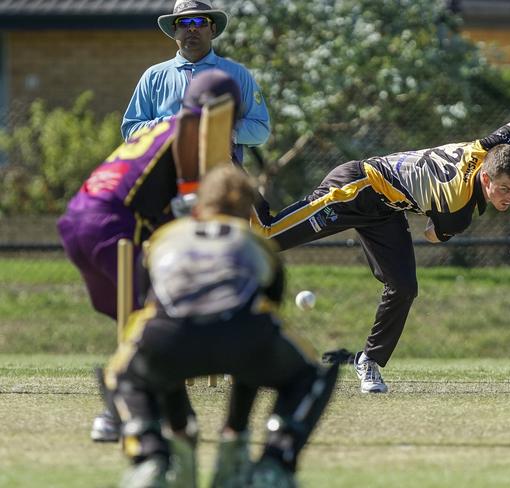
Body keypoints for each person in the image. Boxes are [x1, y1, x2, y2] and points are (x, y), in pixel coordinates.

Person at [252, 39, 510, 394]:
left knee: (404, 287)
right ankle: (230, 177)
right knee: (268, 235)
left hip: (387, 211)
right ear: (485, 178)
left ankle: (370, 361)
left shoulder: (488, 148)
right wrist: (433, 216)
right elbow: (431, 235)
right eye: (504, 189)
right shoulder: (457, 207)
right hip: (357, 188)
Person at [100, 165, 339, 488]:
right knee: (312, 372)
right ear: (245, 214)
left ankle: (151, 457)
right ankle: (274, 463)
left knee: (121, 374)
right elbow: (264, 314)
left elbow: (153, 305)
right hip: (244, 335)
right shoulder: (256, 242)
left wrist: (179, 424)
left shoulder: (164, 237)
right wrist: (235, 428)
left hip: (167, 337)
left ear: (196, 208)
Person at [57, 70, 242, 442]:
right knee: (158, 319)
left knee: (141, 321)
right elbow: (190, 205)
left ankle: (163, 410)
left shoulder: (161, 128)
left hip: (77, 218)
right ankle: (117, 414)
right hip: (114, 225)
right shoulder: (192, 131)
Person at [122, 0, 270, 164]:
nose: (192, 28)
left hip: (220, 179)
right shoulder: (153, 76)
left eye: (200, 21)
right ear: (174, 30)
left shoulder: (238, 74)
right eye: (183, 22)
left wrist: (223, 130)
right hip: (166, 181)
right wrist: (172, 125)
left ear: (212, 29)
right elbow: (130, 130)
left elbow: (261, 129)